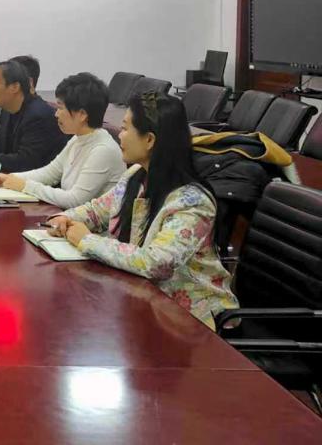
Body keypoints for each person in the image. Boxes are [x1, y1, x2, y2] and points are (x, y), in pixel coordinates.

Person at [45, 92, 238, 329]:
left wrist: (87, 240)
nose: (119, 136)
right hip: (145, 303)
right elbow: (98, 210)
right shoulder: (136, 175)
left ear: (149, 140)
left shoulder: (192, 202)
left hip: (193, 321)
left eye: (125, 129)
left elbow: (156, 263)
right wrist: (65, 218)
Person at [0, 73, 125, 208]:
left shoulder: (103, 150)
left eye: (60, 108)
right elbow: (49, 173)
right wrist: (8, 178)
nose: (56, 114)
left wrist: (25, 185)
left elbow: (75, 200)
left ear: (82, 114)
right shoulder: (78, 139)